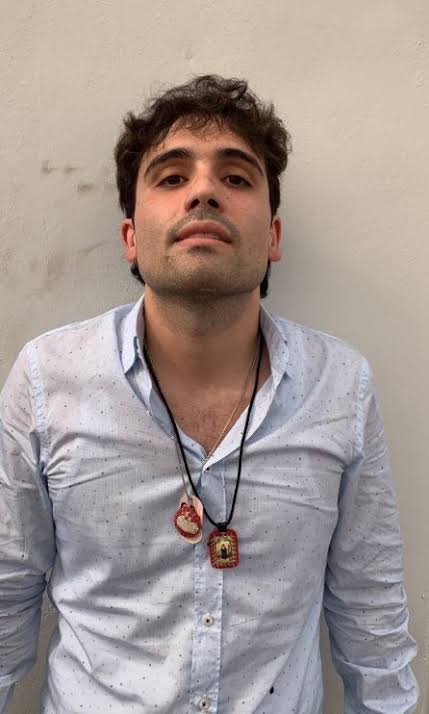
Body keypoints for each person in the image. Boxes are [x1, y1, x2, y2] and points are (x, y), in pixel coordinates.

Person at [0, 75, 419, 713]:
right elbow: (6, 598)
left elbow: (372, 617)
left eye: (236, 177)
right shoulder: (46, 378)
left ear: (273, 237)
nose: (203, 191)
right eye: (172, 177)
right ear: (130, 237)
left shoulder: (341, 387)